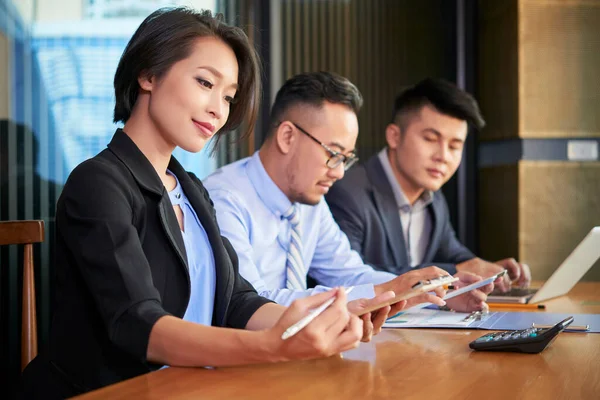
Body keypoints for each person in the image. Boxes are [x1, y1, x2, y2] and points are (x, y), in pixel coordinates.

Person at [20, 9, 394, 399]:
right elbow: (138, 324)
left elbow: (235, 300)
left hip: (189, 387)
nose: (219, 109)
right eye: (205, 83)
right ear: (148, 74)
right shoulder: (98, 183)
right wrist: (272, 347)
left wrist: (317, 322)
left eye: (229, 97)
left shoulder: (190, 188)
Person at [203, 71, 490, 314]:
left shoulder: (309, 203)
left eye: (347, 158)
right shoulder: (224, 198)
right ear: (287, 136)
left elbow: (352, 273)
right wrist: (388, 290)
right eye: (334, 154)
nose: (340, 172)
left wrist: (432, 294)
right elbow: (253, 304)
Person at [325, 78, 531, 292]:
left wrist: (487, 271)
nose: (443, 156)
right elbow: (350, 277)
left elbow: (454, 253)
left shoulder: (433, 197)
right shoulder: (347, 191)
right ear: (394, 136)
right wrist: (454, 270)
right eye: (431, 139)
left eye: (454, 146)